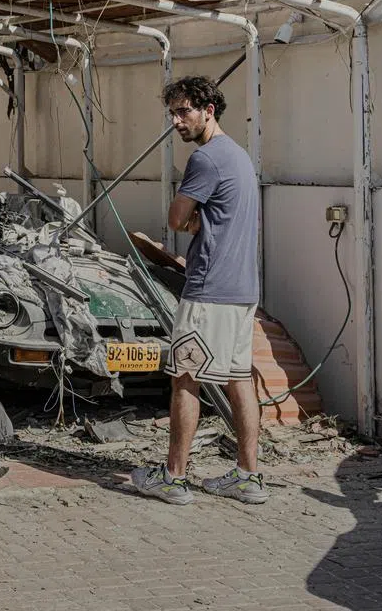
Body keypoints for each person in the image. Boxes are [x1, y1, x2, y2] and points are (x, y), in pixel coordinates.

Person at [131, 75, 267, 505]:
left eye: (184, 110)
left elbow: (175, 219)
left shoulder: (207, 159)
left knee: (185, 378)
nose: (177, 121)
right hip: (242, 290)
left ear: (209, 110)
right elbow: (209, 217)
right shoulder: (240, 157)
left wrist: (189, 217)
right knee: (238, 378)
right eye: (172, 112)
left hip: (208, 291)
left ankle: (173, 477)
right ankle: (248, 475)